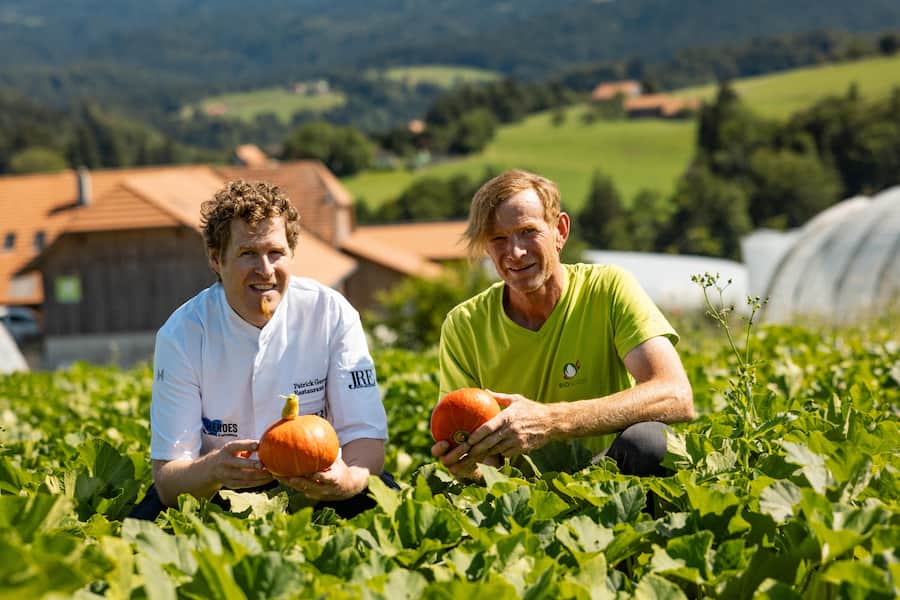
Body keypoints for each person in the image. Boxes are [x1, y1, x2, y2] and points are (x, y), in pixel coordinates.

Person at [131, 179, 391, 520]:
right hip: (218, 491)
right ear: (215, 259)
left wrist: (349, 479)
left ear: (292, 254)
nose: (265, 270)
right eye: (247, 254)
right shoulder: (182, 334)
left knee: (389, 515)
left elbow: (365, 438)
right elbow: (168, 479)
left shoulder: (331, 313)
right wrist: (212, 470)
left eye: (275, 253)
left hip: (319, 482)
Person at [432, 169, 694, 480]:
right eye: (498, 239)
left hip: (610, 482)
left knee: (650, 442)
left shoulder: (607, 289)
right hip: (518, 499)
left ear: (560, 230)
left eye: (528, 231)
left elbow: (675, 394)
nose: (515, 252)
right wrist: (468, 468)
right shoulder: (465, 325)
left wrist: (550, 420)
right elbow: (469, 449)